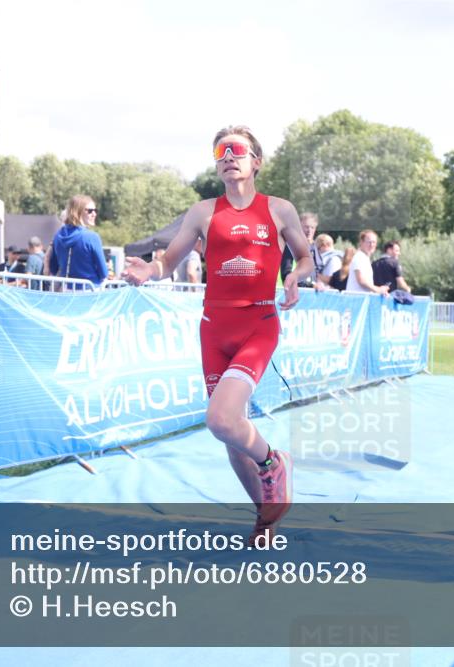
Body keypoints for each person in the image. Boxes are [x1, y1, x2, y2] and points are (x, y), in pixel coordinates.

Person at [122, 125, 313, 545]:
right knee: (231, 435)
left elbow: (304, 258)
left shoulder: (279, 210)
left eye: (237, 150)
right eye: (220, 151)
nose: (228, 156)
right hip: (214, 330)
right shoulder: (203, 212)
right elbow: (167, 263)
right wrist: (148, 271)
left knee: (221, 420)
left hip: (258, 326)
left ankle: (274, 462)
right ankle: (266, 517)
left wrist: (295, 279)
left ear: (255, 161)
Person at [49, 195, 109, 289]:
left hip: (66, 292)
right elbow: (104, 272)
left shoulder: (58, 236)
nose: (94, 214)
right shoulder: (92, 237)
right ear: (78, 212)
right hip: (90, 292)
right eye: (90, 211)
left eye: (95, 210)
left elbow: (53, 268)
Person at [280, 212, 323, 289]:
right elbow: (286, 274)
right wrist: (311, 285)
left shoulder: (314, 247)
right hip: (295, 293)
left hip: (312, 295)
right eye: (306, 227)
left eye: (312, 227)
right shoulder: (291, 246)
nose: (309, 230)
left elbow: (318, 271)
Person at [346, 230, 390, 295]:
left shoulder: (364, 258)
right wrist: (378, 290)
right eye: (369, 242)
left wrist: (380, 290)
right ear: (361, 242)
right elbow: (361, 280)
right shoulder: (359, 257)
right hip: (355, 300)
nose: (371, 245)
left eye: (374, 242)